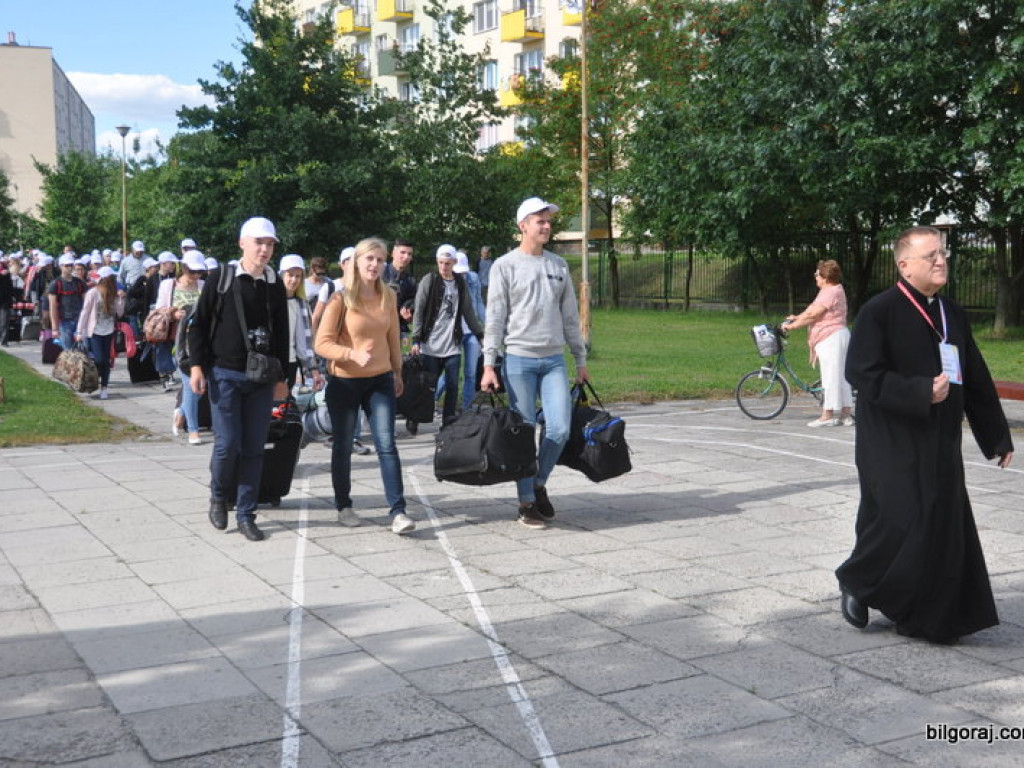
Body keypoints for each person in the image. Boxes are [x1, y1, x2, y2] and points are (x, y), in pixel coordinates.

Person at [836, 226, 1013, 644]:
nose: (941, 261)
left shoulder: (952, 312)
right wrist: (918, 390)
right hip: (891, 439)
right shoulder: (880, 311)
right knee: (900, 518)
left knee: (939, 522)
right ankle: (859, 580)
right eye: (931, 255)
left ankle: (928, 615)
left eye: (943, 254)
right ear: (904, 265)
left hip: (940, 438)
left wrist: (996, 436)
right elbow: (861, 372)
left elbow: (975, 376)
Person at [480, 198, 589, 529]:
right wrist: (488, 363)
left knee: (560, 427)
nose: (546, 225)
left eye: (548, 221)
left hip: (553, 360)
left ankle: (538, 482)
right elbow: (495, 317)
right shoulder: (505, 265)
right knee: (524, 432)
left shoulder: (558, 266)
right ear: (522, 226)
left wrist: (580, 358)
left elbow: (570, 317)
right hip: (519, 361)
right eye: (539, 220)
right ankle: (526, 502)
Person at [188, 217, 289, 542]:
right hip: (225, 372)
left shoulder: (274, 283)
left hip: (261, 377)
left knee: (254, 448)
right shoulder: (222, 278)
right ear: (242, 243)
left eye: (270, 243)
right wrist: (196, 367)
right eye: (259, 242)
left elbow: (282, 334)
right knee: (227, 443)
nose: (264, 249)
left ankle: (247, 514)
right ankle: (219, 496)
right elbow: (198, 325)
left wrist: (283, 377)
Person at [314, 237, 414, 534]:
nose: (374, 265)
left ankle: (398, 511)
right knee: (343, 446)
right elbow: (321, 343)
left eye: (380, 260)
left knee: (387, 444)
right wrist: (351, 354)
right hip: (344, 382)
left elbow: (393, 338)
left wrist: (398, 372)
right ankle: (344, 505)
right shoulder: (340, 299)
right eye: (369, 259)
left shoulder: (388, 296)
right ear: (356, 262)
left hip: (380, 380)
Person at [411, 245, 483, 425]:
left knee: (452, 385)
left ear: (454, 262)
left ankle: (448, 423)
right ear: (437, 262)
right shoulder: (429, 280)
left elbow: (468, 311)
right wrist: (416, 339)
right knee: (428, 386)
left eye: (448, 263)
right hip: (431, 344)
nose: (444, 267)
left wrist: (480, 334)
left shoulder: (460, 282)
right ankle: (415, 417)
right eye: (441, 263)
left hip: (452, 344)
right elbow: (419, 310)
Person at [782, 259, 855, 427]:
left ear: (825, 276)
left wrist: (792, 327)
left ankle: (827, 415)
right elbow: (810, 310)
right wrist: (797, 317)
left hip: (831, 337)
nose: (815, 276)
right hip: (838, 335)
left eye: (817, 274)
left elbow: (814, 315)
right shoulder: (832, 290)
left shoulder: (830, 292)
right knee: (841, 376)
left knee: (830, 377)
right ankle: (845, 415)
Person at [161, 251, 207, 445]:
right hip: (180, 343)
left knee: (202, 385)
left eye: (199, 271)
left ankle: (181, 411)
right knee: (191, 386)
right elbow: (159, 310)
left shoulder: (203, 286)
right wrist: (173, 313)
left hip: (202, 340)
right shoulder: (169, 285)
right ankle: (193, 430)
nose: (196, 275)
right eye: (193, 270)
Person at [75, 266, 126, 401]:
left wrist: (121, 299)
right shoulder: (93, 293)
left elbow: (119, 313)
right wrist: (80, 332)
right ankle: (94, 381)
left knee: (107, 361)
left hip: (109, 330)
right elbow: (85, 312)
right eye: (112, 278)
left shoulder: (113, 293)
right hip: (95, 331)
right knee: (99, 359)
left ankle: (104, 387)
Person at [278, 254, 323, 391]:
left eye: (298, 276)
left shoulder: (301, 303)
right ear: (281, 275)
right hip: (272, 363)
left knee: (283, 406)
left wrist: (313, 370)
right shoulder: (271, 301)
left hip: (291, 363)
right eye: (290, 275)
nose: (293, 280)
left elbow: (305, 340)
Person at [149, 252, 181, 390]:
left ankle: (171, 372)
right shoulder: (154, 279)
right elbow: (148, 299)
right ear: (164, 263)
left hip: (177, 318)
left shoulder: (174, 279)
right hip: (162, 318)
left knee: (175, 347)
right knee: (162, 347)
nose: (173, 266)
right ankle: (164, 375)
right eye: (171, 263)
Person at [47, 253, 88, 351]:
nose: (69, 268)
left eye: (71, 265)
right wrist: (55, 328)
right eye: (66, 266)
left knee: (84, 350)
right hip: (65, 322)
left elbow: (87, 303)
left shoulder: (80, 283)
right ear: (61, 266)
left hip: (80, 320)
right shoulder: (55, 284)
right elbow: (53, 307)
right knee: (68, 351)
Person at [382, 238, 417, 344]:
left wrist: (408, 317)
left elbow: (413, 307)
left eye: (409, 254)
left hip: (396, 331)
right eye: (402, 252)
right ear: (393, 253)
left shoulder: (411, 281)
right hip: (375, 327)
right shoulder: (380, 273)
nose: (406, 257)